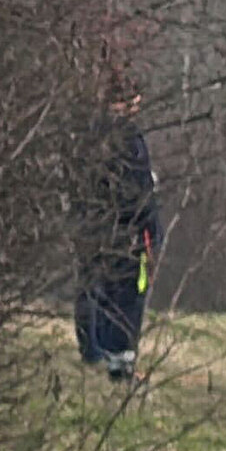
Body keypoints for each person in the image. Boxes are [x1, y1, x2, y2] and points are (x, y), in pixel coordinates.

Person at [73, 94, 161, 382]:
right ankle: (119, 363)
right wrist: (147, 230)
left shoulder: (86, 135)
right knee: (126, 293)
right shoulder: (127, 138)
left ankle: (91, 351)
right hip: (126, 230)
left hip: (92, 226)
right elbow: (138, 190)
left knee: (92, 286)